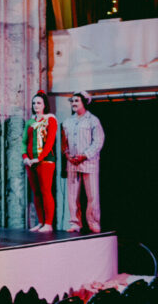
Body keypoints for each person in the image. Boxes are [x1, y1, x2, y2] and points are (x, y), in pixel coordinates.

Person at [61, 90, 105, 233]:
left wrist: (85, 155)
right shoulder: (67, 122)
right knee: (72, 195)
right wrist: (68, 155)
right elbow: (64, 142)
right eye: (72, 101)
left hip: (89, 162)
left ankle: (93, 222)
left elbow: (98, 141)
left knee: (92, 195)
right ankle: (75, 222)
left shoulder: (93, 120)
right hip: (72, 163)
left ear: (84, 103)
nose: (73, 103)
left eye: (77, 101)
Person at [21, 90, 57, 233]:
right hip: (30, 162)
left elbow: (50, 142)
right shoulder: (30, 122)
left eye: (39, 103)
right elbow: (24, 142)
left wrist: (39, 158)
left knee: (46, 191)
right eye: (34, 103)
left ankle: (48, 223)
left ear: (44, 105)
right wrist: (25, 157)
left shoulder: (50, 119)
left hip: (45, 161)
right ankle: (41, 222)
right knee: (36, 192)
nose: (36, 105)